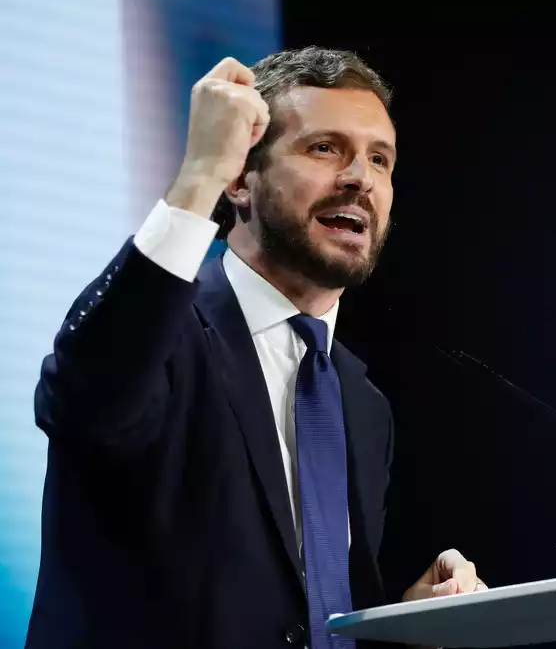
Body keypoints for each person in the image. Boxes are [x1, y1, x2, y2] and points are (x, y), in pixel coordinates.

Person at [26, 47, 482, 649]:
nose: (360, 178)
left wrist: (400, 624)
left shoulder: (363, 404)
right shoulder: (160, 334)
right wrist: (198, 176)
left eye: (380, 159)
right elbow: (81, 399)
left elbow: (297, 609)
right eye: (325, 148)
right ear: (240, 177)